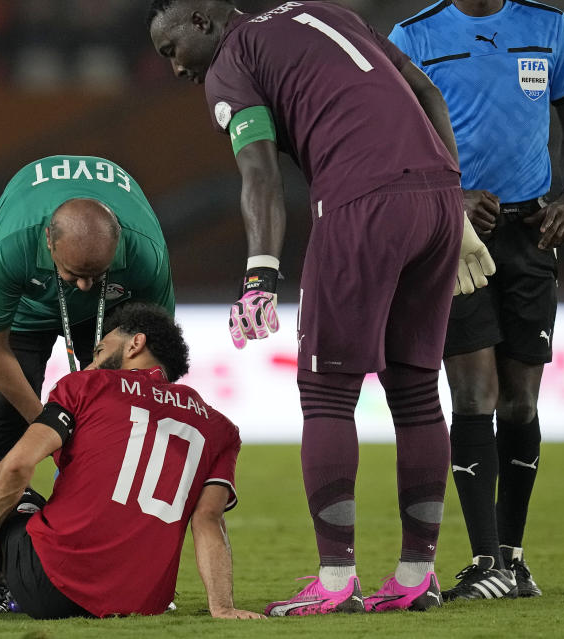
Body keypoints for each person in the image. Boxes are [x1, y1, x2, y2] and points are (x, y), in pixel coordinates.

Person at [147, 0, 497, 616]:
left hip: (362, 202)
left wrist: (259, 275)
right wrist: (452, 188)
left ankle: (336, 581)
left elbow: (258, 175)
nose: (175, 71)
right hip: (440, 200)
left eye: (171, 50)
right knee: (415, 389)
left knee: (326, 390)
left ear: (202, 22)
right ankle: (417, 573)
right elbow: (427, 92)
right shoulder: (327, 12)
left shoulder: (233, 59)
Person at [0, 302, 263, 619]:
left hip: (53, 587)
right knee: (37, 503)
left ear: (135, 343)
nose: (95, 352)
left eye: (104, 343)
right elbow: (209, 521)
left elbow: (17, 465)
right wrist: (222, 607)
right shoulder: (220, 428)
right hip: (144, 601)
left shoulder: (88, 385)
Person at [389, 0, 564, 601]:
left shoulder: (549, 27)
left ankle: (514, 561)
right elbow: (393, 143)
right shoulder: (412, 36)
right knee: (475, 394)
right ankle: (484, 560)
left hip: (532, 236)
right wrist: (452, 198)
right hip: (456, 239)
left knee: (521, 404)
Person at [0, 154, 175, 474]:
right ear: (49, 240)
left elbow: (156, 348)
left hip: (108, 312)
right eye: (73, 272)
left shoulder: (145, 253)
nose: (83, 285)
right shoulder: (13, 244)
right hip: (27, 310)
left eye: (95, 274)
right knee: (4, 425)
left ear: (118, 243)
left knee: (121, 418)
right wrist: (49, 426)